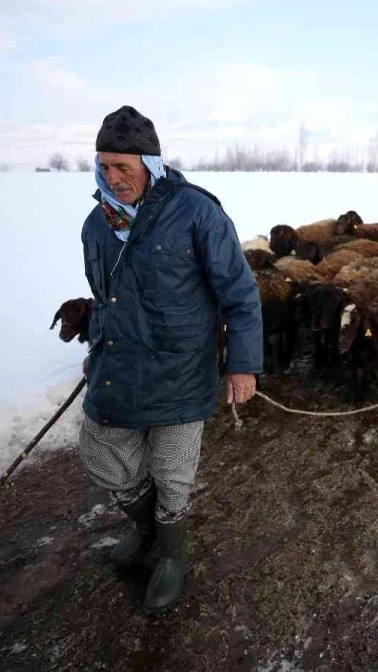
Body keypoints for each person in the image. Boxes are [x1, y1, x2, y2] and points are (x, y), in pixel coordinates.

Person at [77, 105, 263, 613]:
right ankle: (144, 525)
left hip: (181, 368)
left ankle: (171, 554)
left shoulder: (197, 212)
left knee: (171, 469)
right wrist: (96, 349)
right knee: (101, 451)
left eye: (125, 167)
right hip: (119, 366)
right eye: (105, 166)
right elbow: (102, 298)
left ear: (151, 164)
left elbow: (241, 294)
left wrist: (243, 365)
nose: (114, 178)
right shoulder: (97, 224)